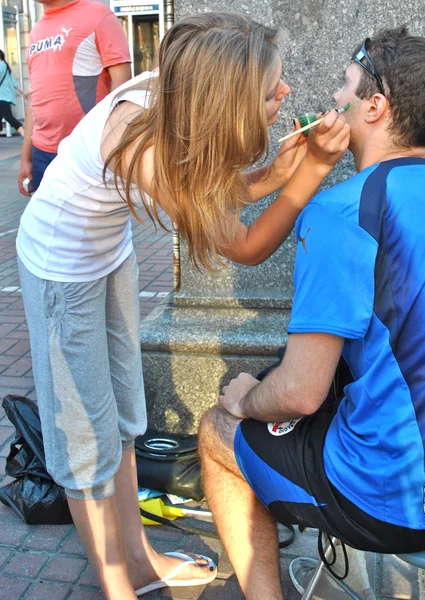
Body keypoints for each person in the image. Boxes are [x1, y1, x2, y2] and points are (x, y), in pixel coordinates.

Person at [16, 11, 350, 600]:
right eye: (272, 86)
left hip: (107, 257)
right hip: (59, 270)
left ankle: (139, 558)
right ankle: (116, 583)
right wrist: (315, 168)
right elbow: (242, 243)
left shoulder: (181, 104)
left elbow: (209, 183)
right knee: (85, 437)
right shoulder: (138, 140)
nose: (285, 92)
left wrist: (273, 173)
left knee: (120, 417)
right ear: (225, 98)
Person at [198, 25, 425, 600]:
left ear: (374, 106)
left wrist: (245, 400)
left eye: (344, 87)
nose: (331, 103)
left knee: (217, 432)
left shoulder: (342, 213)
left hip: (390, 503)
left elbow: (299, 394)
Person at [18, 0, 131, 195]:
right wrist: (25, 157)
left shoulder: (98, 14)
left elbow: (122, 85)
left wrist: (111, 143)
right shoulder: (36, 29)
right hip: (42, 152)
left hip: (87, 150)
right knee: (44, 224)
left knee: (92, 224)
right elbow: (34, 99)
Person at [0, 50, 28, 137]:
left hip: (2, 97)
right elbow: (14, 82)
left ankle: (23, 133)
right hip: (6, 97)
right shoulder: (6, 66)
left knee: (8, 117)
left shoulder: (1, 66)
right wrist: (23, 92)